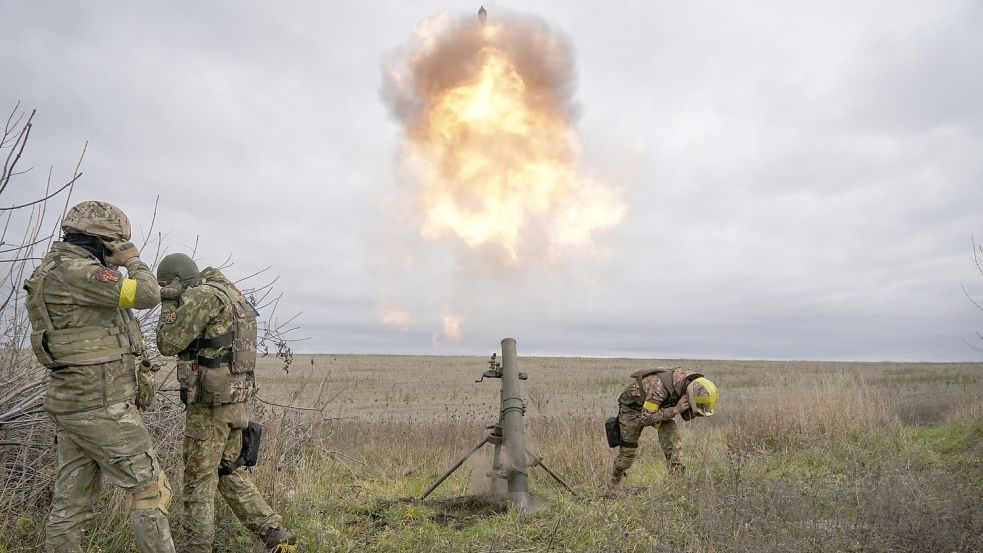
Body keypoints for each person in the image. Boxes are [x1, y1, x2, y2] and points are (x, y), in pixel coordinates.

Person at [24, 201, 175, 552]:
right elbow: (145, 294)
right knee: (151, 490)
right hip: (100, 404)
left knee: (71, 503)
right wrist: (133, 260)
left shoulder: (54, 269)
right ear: (106, 241)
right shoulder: (79, 272)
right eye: (115, 245)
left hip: (74, 402)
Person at [154, 253, 296, 553]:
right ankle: (272, 531)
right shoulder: (231, 293)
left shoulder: (202, 295)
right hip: (236, 400)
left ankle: (197, 548)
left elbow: (168, 343)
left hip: (211, 404)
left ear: (177, 281)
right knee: (228, 469)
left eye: (167, 285)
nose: (167, 290)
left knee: (198, 480)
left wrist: (168, 302)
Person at [608, 367, 718, 490]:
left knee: (670, 429)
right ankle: (613, 484)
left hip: (655, 409)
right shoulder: (658, 389)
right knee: (627, 457)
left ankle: (675, 481)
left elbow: (684, 414)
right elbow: (645, 418)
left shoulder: (690, 383)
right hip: (633, 412)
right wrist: (675, 410)